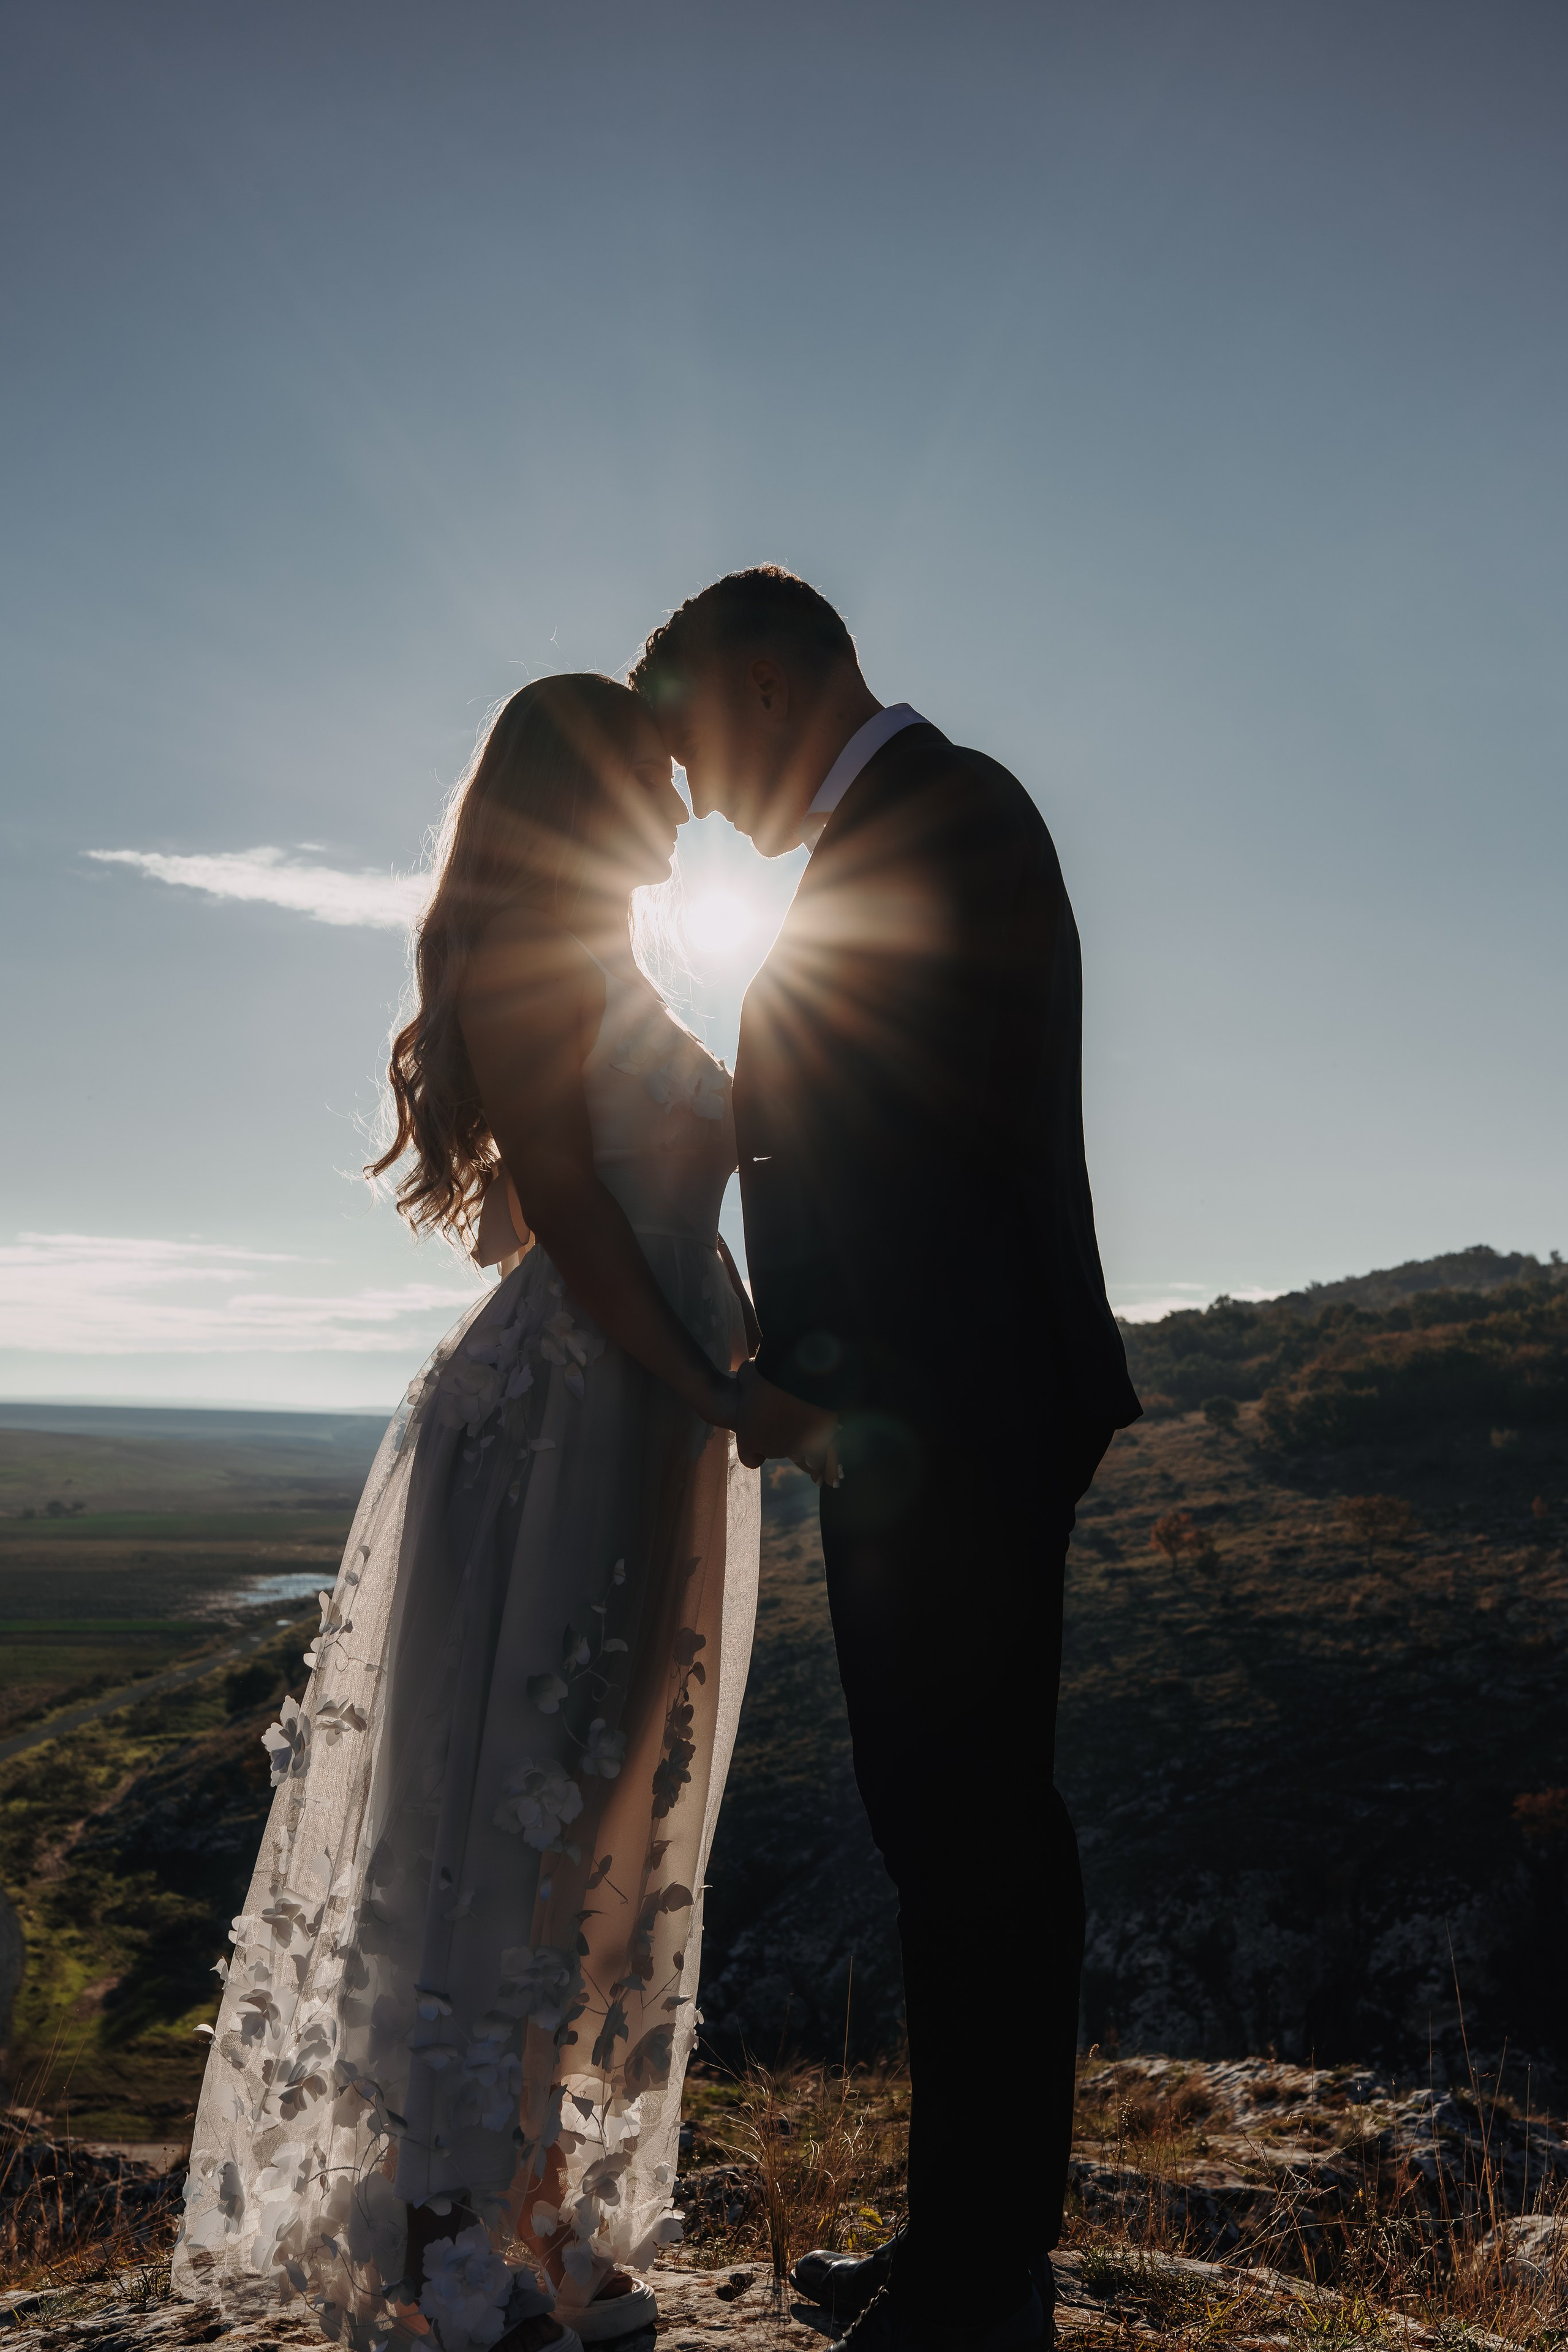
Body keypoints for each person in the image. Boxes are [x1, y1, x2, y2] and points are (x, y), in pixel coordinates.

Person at [172, 675, 762, 2352]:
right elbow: (565, 1224)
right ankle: (445, 2237)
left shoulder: (601, 961)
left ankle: (537, 2209)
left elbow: (530, 1197)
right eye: (653, 777)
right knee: (507, 1826)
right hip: (577, 1422)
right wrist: (716, 1388)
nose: (678, 804)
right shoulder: (539, 959)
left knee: (598, 1816)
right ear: (582, 788)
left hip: (637, 1409)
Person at [631, 571, 1140, 2352]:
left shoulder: (948, 821)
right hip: (934, 1429)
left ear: (768, 689)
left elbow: (910, 1167)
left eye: (697, 754)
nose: (698, 804)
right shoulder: (924, 827)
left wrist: (813, 1393)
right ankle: (968, 2249)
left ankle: (982, 2279)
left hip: (953, 1429)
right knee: (952, 1833)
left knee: (976, 1834)